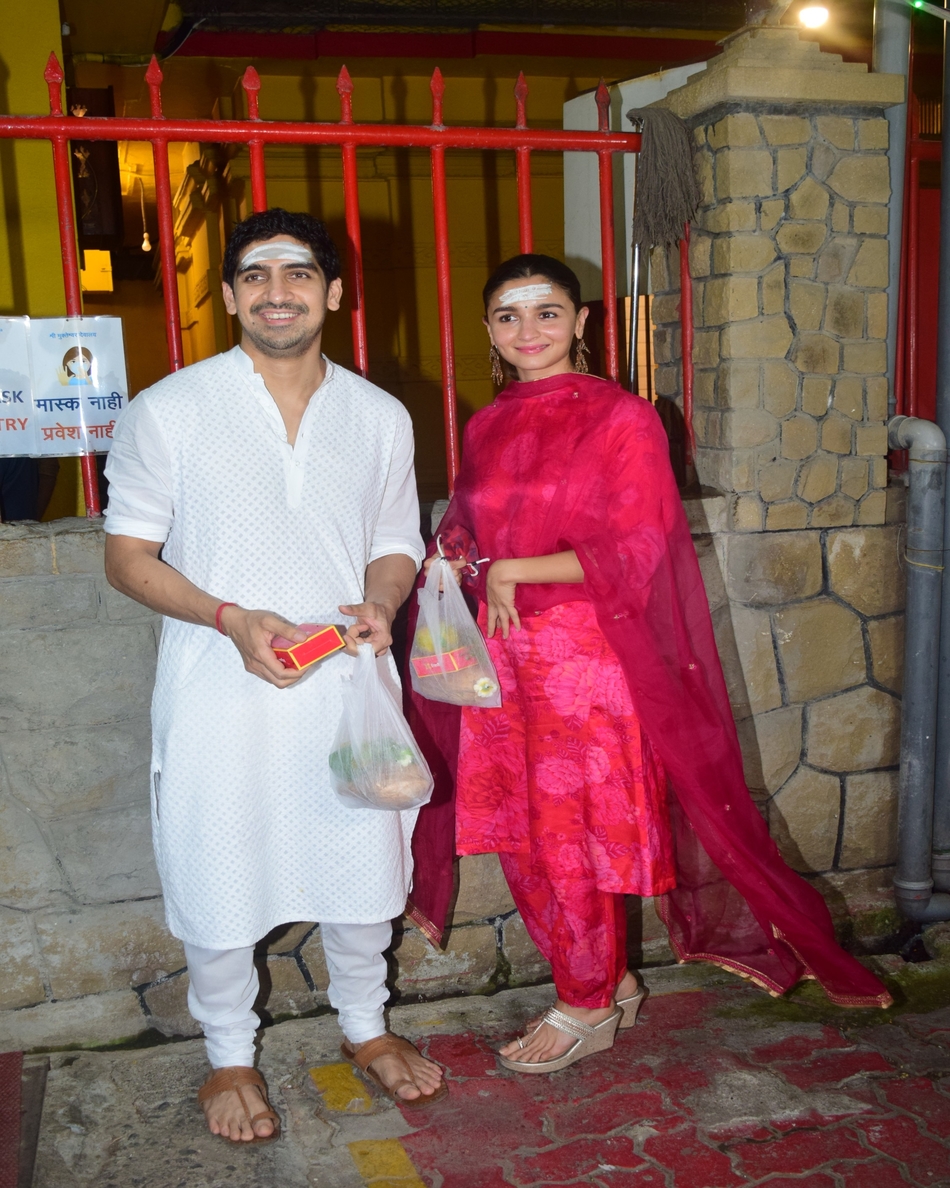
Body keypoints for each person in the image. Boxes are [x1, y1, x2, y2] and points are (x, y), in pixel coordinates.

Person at [407, 253, 891, 1076]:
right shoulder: (487, 424)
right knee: (523, 836)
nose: (529, 330)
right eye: (509, 315)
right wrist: (452, 557)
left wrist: (518, 569)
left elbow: (638, 550)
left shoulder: (622, 418)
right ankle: (605, 980)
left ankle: (586, 1004)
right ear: (488, 329)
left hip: (584, 665)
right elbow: (469, 524)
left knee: (570, 837)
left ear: (581, 322)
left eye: (547, 312)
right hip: (501, 662)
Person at [104, 208, 445, 1143]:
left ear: (333, 292)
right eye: (255, 275)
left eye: (298, 273)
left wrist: (383, 601)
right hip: (220, 687)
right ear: (229, 296)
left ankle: (367, 1027)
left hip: (346, 683)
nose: (277, 292)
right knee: (216, 856)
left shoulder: (378, 416)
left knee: (364, 851)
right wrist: (229, 618)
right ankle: (228, 1055)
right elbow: (126, 558)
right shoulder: (169, 410)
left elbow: (394, 542)